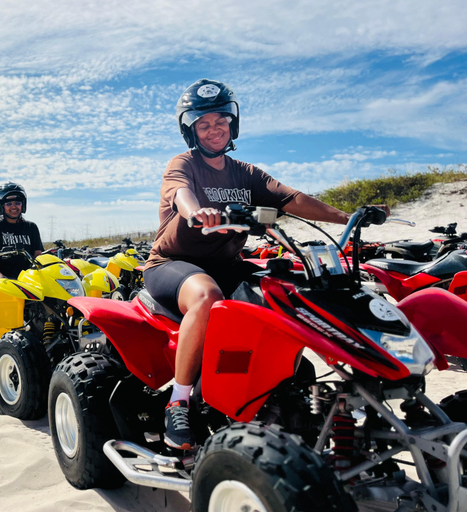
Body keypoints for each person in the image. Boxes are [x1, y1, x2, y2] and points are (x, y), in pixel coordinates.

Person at [144, 79, 387, 450]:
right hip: (174, 264)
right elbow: (181, 194)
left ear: (233, 124)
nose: (214, 129)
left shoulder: (246, 172)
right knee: (207, 296)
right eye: (204, 123)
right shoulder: (184, 164)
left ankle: (281, 380)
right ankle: (178, 400)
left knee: (293, 288)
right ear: (190, 129)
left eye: (220, 121)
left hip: (228, 264)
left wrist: (348, 217)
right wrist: (198, 213)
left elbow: (291, 198)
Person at [0, 182, 43, 298]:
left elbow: (38, 256)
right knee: (0, 294)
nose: (14, 206)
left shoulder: (31, 227)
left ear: (23, 204)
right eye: (8, 203)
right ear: (1, 206)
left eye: (17, 203)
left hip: (23, 277)